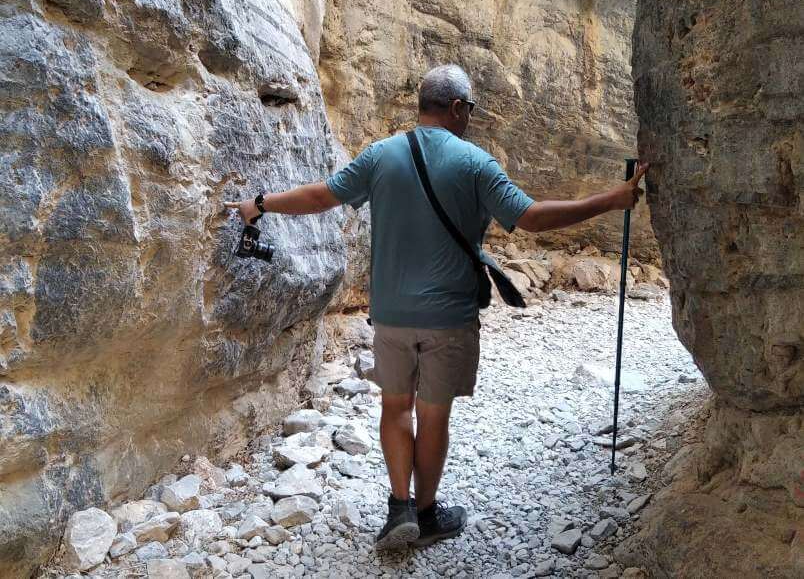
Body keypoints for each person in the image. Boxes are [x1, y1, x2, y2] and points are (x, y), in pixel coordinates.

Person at [225, 64, 648, 550]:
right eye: (469, 109)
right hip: (449, 320)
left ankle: (398, 506)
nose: (469, 117)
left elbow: (322, 196)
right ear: (456, 108)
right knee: (433, 415)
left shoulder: (381, 155)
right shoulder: (475, 163)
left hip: (391, 316)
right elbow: (531, 217)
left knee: (395, 407)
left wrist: (259, 203)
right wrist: (611, 200)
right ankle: (425, 515)